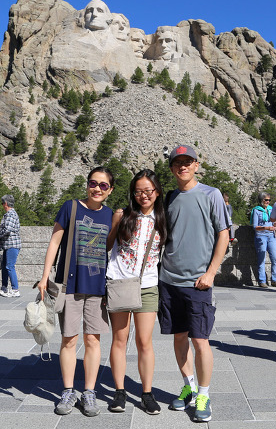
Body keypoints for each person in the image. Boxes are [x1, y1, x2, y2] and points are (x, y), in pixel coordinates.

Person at [159, 145, 231, 423]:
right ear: (172, 168)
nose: (183, 166)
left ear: (197, 165)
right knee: (179, 337)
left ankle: (203, 394)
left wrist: (211, 272)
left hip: (198, 281)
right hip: (169, 279)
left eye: (188, 162)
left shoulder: (211, 194)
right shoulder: (171, 197)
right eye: (178, 163)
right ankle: (188, 385)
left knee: (200, 340)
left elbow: (223, 234)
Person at [37, 167, 114, 417]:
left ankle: (89, 391)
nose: (97, 189)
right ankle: (69, 390)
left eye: (103, 185)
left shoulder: (110, 215)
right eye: (94, 183)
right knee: (69, 339)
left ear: (110, 190)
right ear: (87, 184)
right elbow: (55, 241)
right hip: (69, 285)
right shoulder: (71, 207)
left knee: (93, 340)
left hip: (96, 287)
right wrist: (44, 275)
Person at [106, 169, 166, 415]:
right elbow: (108, 245)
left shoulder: (163, 219)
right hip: (120, 282)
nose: (144, 195)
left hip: (148, 285)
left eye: (148, 190)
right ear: (133, 193)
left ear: (157, 192)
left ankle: (146, 393)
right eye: (139, 191)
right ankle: (119, 392)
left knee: (144, 341)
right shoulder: (123, 215)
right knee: (120, 340)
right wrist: (114, 224)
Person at [250, 193, 276, 288]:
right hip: (261, 236)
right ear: (261, 200)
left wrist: (275, 224)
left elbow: (275, 221)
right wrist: (266, 227)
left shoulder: (271, 209)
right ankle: (262, 280)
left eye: (269, 200)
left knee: (275, 258)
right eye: (266, 200)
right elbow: (255, 226)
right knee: (261, 259)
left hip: (271, 236)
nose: (268, 202)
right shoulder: (256, 210)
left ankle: (275, 279)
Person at [0, 194, 21, 298]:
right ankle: (4, 287)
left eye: (2, 203)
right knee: (5, 266)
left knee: (10, 266)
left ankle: (15, 289)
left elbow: (8, 229)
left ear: (6, 204)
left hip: (12, 244)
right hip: (8, 245)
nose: (2, 205)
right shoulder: (10, 214)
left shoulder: (11, 214)